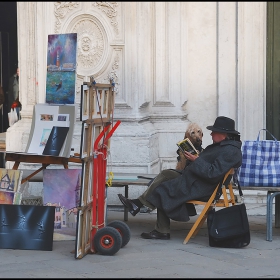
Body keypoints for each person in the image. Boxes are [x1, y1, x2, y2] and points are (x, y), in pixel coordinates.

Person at [118, 116, 242, 240]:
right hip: (196, 178)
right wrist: (193, 158)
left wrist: (196, 160)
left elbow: (212, 173)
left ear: (224, 134)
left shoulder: (231, 151)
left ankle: (162, 230)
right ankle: (138, 204)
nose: (211, 134)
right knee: (166, 174)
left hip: (203, 187)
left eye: (214, 132)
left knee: (163, 189)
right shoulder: (224, 146)